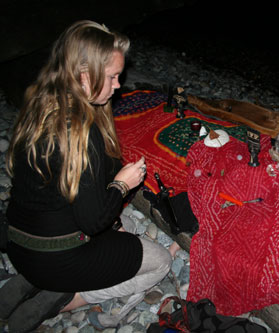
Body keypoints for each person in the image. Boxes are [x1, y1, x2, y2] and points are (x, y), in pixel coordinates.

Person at [0, 20, 180, 332]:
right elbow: (93, 221)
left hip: (19, 242)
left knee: (129, 228)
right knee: (161, 260)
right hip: (56, 259)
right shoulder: (83, 134)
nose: (118, 85)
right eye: (112, 77)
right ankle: (65, 299)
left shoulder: (40, 103)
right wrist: (123, 184)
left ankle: (26, 282)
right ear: (85, 76)